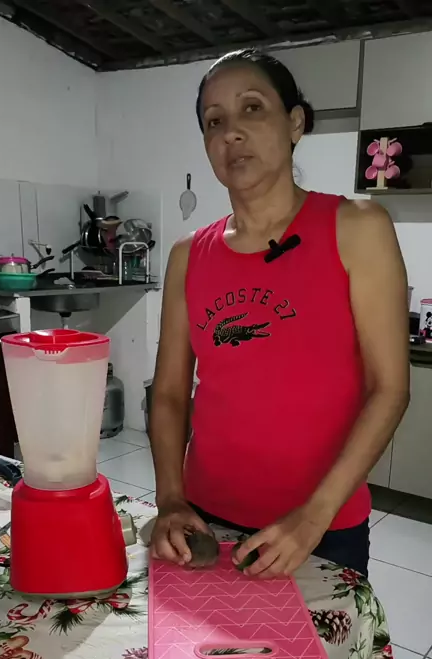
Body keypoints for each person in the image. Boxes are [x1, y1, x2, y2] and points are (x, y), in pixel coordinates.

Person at [149, 48, 409, 579]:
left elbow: (390, 389)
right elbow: (171, 393)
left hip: (320, 525)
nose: (232, 133)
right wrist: (170, 497)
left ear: (295, 123)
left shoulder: (358, 227)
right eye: (214, 121)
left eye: (252, 108)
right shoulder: (188, 255)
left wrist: (314, 517)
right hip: (204, 518)